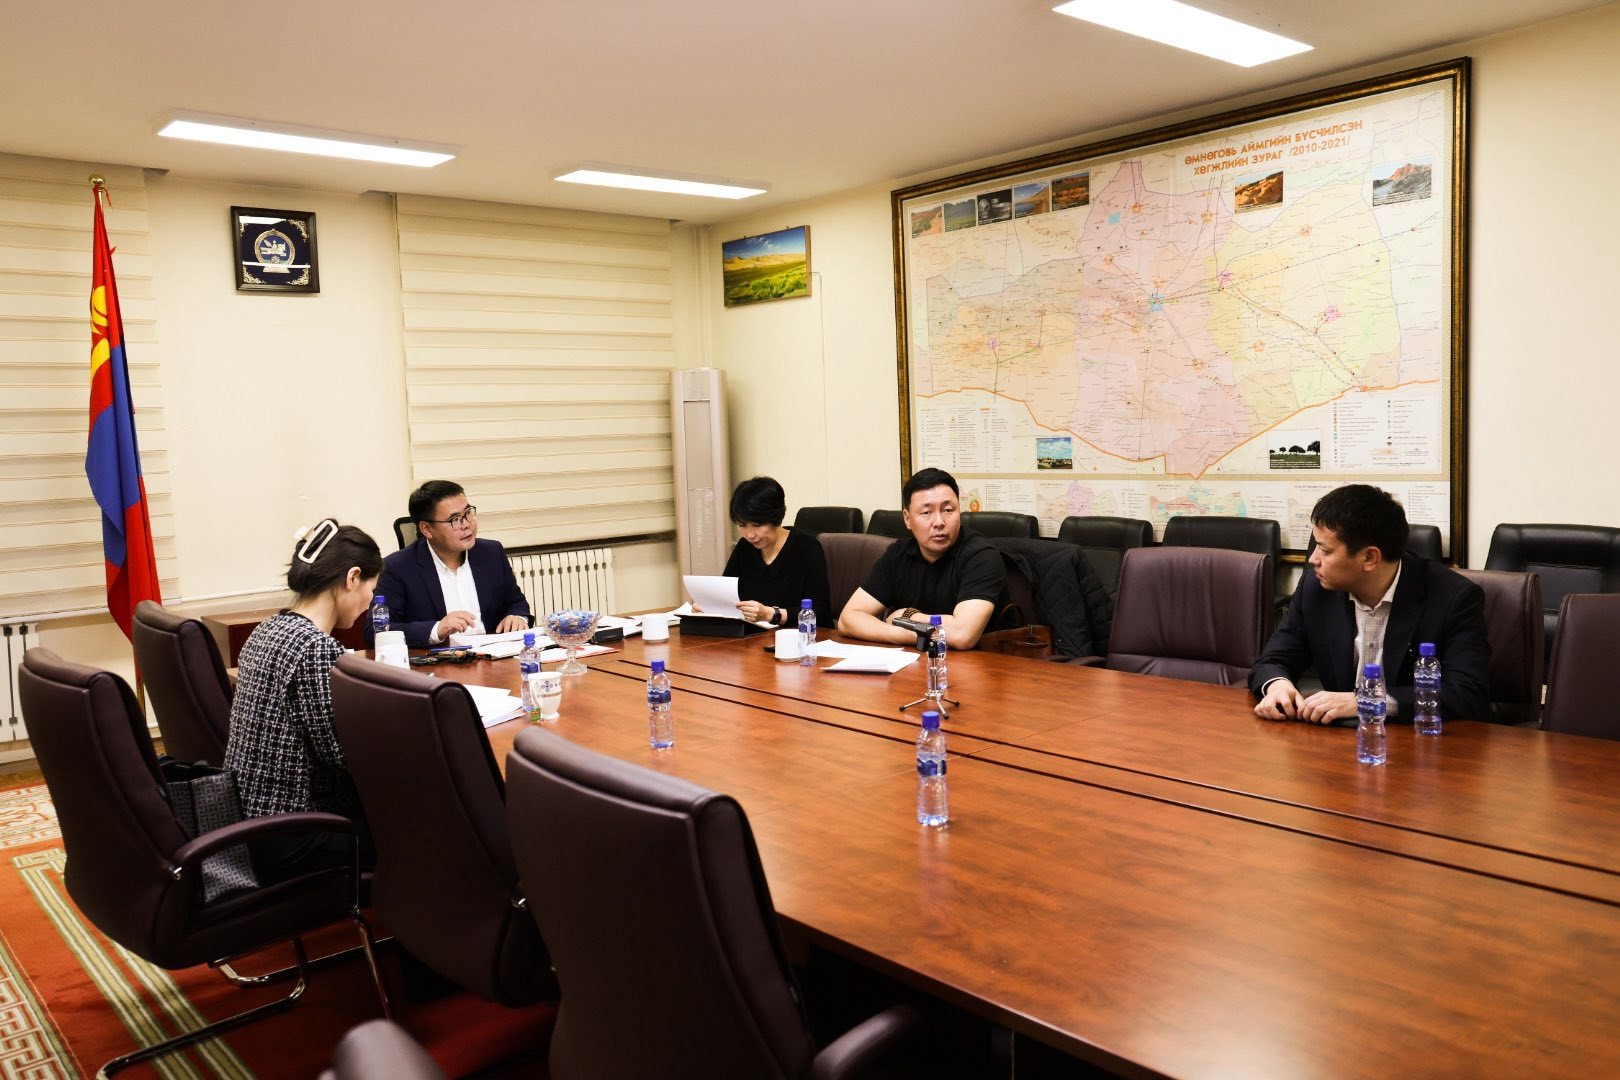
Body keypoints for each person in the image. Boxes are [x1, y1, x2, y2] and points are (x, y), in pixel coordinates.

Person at [1250, 484, 1490, 724]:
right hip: (1340, 739)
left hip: (1415, 737)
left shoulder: (1454, 598)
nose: (1313, 560)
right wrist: (1277, 686)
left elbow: (1467, 694)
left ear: (1369, 557)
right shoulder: (1315, 588)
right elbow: (1273, 660)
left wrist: (1368, 700)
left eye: (1325, 550)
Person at [226, 519, 382, 882]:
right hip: (290, 835)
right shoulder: (316, 648)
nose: (369, 602)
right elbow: (344, 757)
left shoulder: (267, 629)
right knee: (421, 826)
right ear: (353, 578)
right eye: (371, 589)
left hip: (247, 823)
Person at [838, 467, 1008, 649]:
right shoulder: (898, 555)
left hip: (982, 662)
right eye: (926, 512)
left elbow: (962, 635)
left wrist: (907, 617)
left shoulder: (981, 556)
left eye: (948, 510)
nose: (939, 522)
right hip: (918, 660)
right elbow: (848, 619)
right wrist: (901, 633)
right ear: (907, 519)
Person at [375, 480, 532, 647]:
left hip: (494, 654)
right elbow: (377, 631)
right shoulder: (397, 567)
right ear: (426, 529)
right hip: (441, 658)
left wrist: (517, 617)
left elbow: (516, 602)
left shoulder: (491, 553)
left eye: (468, 513)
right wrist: (437, 629)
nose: (467, 524)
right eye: (455, 519)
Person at [713, 476, 832, 628]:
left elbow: (819, 612)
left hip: (800, 636)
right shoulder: (744, 547)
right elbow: (726, 595)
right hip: (752, 637)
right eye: (742, 525)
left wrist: (771, 614)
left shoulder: (807, 548)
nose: (750, 535)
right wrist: (711, 607)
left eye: (757, 525)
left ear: (776, 518)